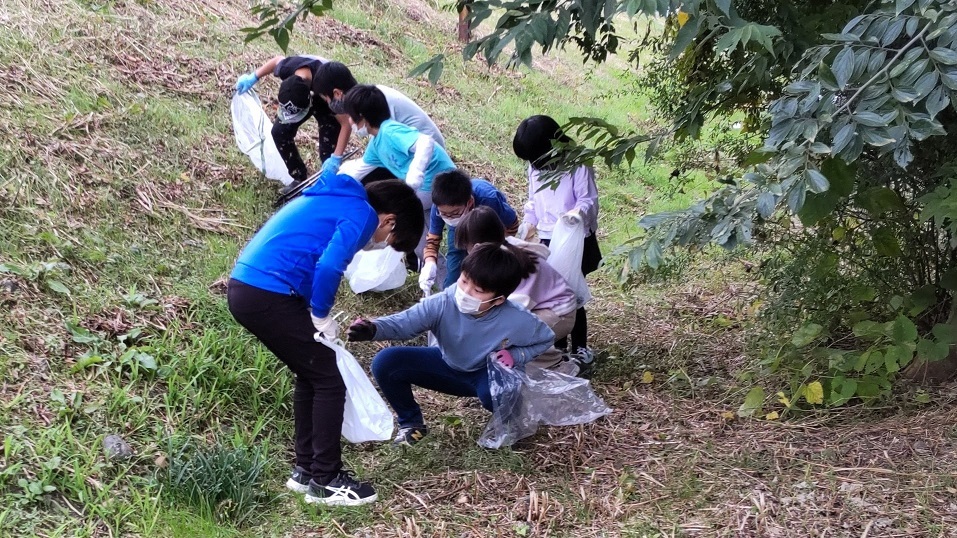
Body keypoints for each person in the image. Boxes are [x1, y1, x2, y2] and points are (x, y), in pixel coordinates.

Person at [226, 173, 424, 507]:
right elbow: (330, 266)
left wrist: (307, 310)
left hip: (253, 288)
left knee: (312, 373)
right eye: (389, 240)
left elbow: (306, 256)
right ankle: (326, 480)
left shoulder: (335, 199)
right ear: (388, 220)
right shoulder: (362, 212)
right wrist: (320, 313)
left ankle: (306, 470)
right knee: (329, 380)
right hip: (266, 291)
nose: (378, 246)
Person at [346, 243, 555, 446]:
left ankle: (511, 424)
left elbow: (545, 338)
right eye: (464, 281)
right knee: (387, 361)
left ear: (498, 299)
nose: (466, 292)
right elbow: (405, 323)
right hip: (447, 364)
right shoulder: (445, 301)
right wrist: (373, 329)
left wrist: (516, 356)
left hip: (486, 373)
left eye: (478, 290)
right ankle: (411, 424)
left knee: (497, 392)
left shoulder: (517, 319)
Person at [513, 115, 601, 363]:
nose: (534, 164)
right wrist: (529, 221)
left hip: (574, 237)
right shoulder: (535, 167)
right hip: (547, 238)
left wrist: (574, 216)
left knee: (572, 292)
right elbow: (534, 199)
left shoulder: (577, 163)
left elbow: (588, 200)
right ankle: (559, 346)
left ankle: (580, 348)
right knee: (552, 293)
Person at [340, 84, 456, 268]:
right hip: (424, 193)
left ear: (363, 116)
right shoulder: (376, 144)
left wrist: (413, 179)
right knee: (421, 243)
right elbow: (358, 170)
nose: (351, 123)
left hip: (444, 184)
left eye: (352, 117)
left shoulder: (390, 130)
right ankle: (444, 281)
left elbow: (426, 142)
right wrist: (333, 181)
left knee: (403, 222)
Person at [454, 207, 580, 374]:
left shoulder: (511, 264)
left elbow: (515, 309)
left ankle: (556, 365)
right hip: (540, 308)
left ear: (478, 247)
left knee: (509, 337)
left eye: (467, 249)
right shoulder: (503, 252)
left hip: (559, 314)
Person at [235, 55, 350, 192]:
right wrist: (253, 77)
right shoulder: (288, 68)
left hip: (325, 98)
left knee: (328, 151)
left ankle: (330, 183)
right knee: (279, 132)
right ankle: (299, 178)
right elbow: (277, 60)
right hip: (305, 92)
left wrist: (336, 158)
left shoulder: (327, 86)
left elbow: (346, 123)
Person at [419, 170, 520, 293]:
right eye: (445, 214)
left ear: (470, 202)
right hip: (457, 228)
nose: (449, 218)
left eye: (454, 213)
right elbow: (433, 239)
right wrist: (430, 262)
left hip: (487, 229)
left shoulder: (489, 199)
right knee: (454, 267)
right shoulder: (440, 207)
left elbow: (512, 224)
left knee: (486, 273)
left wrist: (500, 249)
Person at [312, 61, 446, 150]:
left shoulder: (374, 99)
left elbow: (384, 143)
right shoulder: (368, 97)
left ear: (337, 93)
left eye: (327, 99)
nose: (329, 104)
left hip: (426, 150)